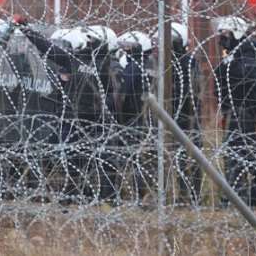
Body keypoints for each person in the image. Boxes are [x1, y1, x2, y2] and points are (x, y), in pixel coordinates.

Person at [12, 15, 118, 204]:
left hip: (95, 121)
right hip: (72, 118)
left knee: (96, 160)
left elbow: (115, 96)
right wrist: (26, 30)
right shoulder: (78, 59)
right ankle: (75, 194)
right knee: (70, 159)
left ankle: (103, 198)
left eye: (92, 39)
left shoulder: (109, 66)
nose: (88, 41)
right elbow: (49, 49)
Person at [214, 16, 256, 207]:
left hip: (244, 109)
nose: (221, 38)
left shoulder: (248, 53)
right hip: (235, 108)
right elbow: (219, 80)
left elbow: (244, 77)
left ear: (236, 33)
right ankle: (254, 194)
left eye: (225, 34)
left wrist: (227, 65)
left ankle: (235, 196)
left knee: (236, 152)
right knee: (243, 153)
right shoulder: (234, 53)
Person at [117, 30, 155, 204]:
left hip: (132, 117)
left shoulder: (132, 68)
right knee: (147, 159)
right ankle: (147, 194)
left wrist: (119, 116)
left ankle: (138, 195)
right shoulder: (152, 64)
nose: (126, 50)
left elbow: (123, 95)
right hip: (152, 117)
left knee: (134, 158)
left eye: (129, 47)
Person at [170, 22, 203, 205]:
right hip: (173, 115)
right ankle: (183, 194)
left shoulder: (189, 62)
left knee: (191, 157)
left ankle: (193, 196)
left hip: (188, 117)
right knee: (178, 158)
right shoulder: (169, 63)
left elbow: (194, 90)